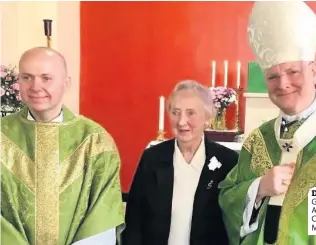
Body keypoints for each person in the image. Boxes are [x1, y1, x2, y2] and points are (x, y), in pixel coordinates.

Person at [219, 2, 316, 245]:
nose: (282, 84)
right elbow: (228, 199)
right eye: (273, 76)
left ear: (314, 72)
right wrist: (259, 188)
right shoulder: (259, 139)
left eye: (293, 72)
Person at [1, 47, 125, 245]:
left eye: (46, 78)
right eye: (27, 77)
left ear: (66, 83)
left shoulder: (94, 141)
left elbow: (103, 214)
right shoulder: (2, 135)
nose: (35, 86)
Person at [122, 80, 239, 245]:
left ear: (208, 116)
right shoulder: (152, 158)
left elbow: (234, 222)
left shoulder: (227, 161)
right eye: (175, 112)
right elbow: (134, 219)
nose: (181, 121)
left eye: (190, 113)